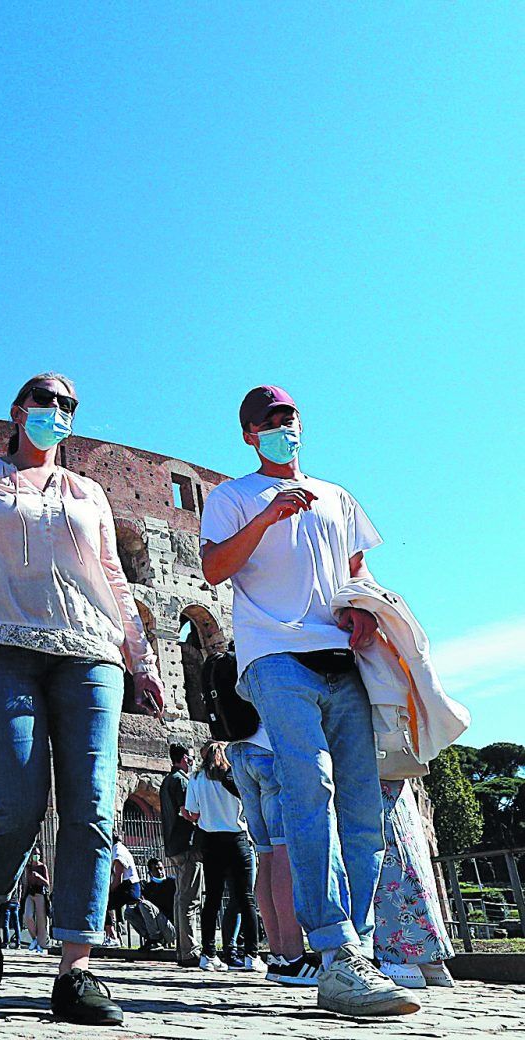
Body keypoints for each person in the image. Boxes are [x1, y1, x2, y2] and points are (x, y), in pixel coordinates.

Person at [0, 372, 165, 1026]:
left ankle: (76, 969)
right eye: (44, 399)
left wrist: (142, 655)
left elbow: (113, 576)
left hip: (91, 651)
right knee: (17, 798)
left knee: (94, 804)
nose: (56, 410)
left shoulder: (89, 491)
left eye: (67, 404)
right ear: (18, 410)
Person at [201, 385, 418, 1017]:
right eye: (271, 421)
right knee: (309, 787)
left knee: (360, 800)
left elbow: (358, 574)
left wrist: (364, 613)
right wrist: (267, 518)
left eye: (290, 417)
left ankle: (357, 948)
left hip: (340, 658)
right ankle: (331, 948)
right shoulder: (233, 496)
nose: (284, 427)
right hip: (274, 657)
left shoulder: (337, 495)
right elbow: (214, 569)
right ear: (250, 435)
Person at [230, 723, 315, 985]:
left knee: (265, 854)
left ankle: (278, 955)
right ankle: (293, 957)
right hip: (268, 747)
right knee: (283, 850)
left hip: (237, 749)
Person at [182, 741, 260, 971]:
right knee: (246, 898)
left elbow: (192, 812)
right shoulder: (234, 776)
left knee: (213, 898)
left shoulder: (196, 779)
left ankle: (208, 954)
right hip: (236, 838)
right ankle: (252, 955)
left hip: (211, 840)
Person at [373, 779, 455, 989]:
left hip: (371, 778)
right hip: (399, 784)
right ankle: (432, 960)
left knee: (384, 853)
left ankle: (399, 957)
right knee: (411, 855)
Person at [160, 744, 204, 967]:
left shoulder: (168, 780)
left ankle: (182, 949)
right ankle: (190, 950)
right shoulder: (181, 781)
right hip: (187, 845)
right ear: (185, 758)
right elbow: (188, 812)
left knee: (181, 898)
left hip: (173, 845)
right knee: (190, 899)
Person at [21, 850, 51, 954]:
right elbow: (26, 883)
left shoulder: (43, 867)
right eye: (34, 854)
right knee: (28, 916)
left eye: (37, 854)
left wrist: (39, 877)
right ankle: (34, 938)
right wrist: (23, 896)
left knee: (41, 920)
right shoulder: (28, 867)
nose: (35, 856)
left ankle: (41, 944)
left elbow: (47, 883)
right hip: (30, 893)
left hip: (40, 893)